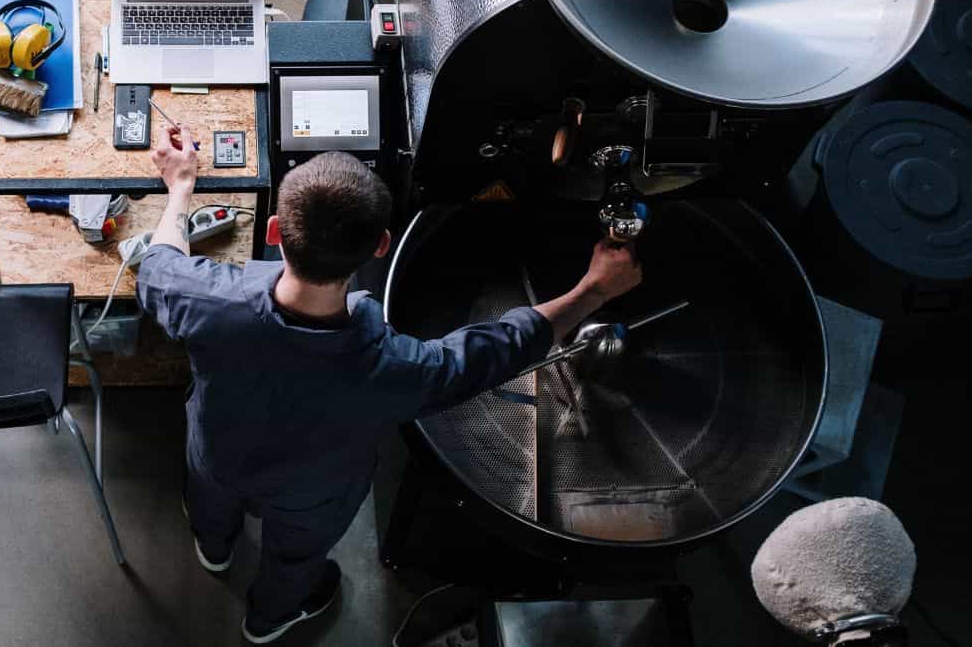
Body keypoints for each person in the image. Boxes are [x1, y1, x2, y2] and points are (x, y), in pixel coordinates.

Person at [135, 125, 643, 644]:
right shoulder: (399, 368)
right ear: (381, 245)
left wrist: (180, 188)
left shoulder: (208, 302)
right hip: (314, 493)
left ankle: (214, 548)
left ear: (272, 232)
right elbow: (502, 348)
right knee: (297, 557)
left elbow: (157, 267)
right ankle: (269, 619)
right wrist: (592, 290)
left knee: (210, 502)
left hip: (218, 456)